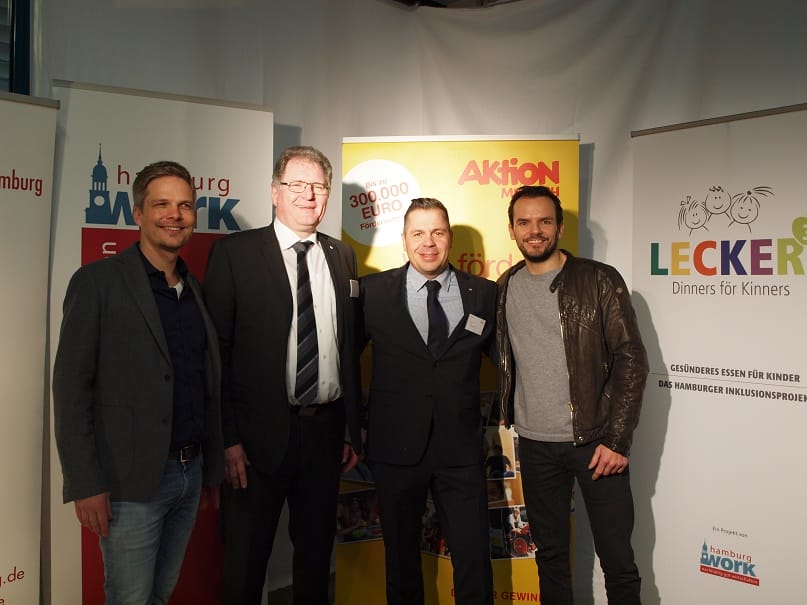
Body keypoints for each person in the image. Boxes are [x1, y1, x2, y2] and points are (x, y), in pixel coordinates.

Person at [53, 160, 224, 605]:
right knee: (130, 599)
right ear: (138, 213)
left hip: (189, 474)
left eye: (185, 206)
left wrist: (209, 467)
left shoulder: (194, 289)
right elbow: (70, 390)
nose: (175, 215)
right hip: (129, 482)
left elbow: (203, 382)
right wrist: (85, 482)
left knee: (159, 595)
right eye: (162, 204)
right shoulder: (97, 283)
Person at [203, 146, 362, 605]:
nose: (308, 195)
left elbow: (347, 347)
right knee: (245, 566)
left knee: (315, 562)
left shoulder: (341, 255)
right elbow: (216, 354)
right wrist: (228, 438)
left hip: (325, 435)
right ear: (275, 192)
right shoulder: (235, 254)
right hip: (254, 443)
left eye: (318, 186)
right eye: (297, 184)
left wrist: (350, 427)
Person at [495, 185, 648, 605]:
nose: (535, 231)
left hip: (597, 443)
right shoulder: (505, 286)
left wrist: (617, 440)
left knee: (617, 560)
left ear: (560, 227)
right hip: (535, 444)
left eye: (544, 221)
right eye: (524, 222)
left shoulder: (599, 279)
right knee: (550, 559)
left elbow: (631, 358)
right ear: (512, 230)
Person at [360, 197, 496, 605]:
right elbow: (343, 362)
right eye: (418, 233)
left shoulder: (484, 294)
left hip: (460, 449)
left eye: (437, 232)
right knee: (401, 562)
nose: (428, 242)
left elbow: (509, 360)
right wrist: (348, 428)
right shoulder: (372, 292)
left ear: (449, 237)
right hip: (395, 449)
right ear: (403, 239)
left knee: (474, 559)